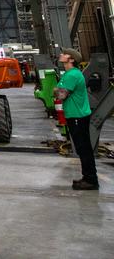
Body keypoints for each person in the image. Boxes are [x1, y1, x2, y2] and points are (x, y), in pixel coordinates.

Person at [54, 47, 97, 190]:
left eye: (65, 54)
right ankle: (88, 177)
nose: (61, 55)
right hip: (76, 115)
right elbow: (60, 91)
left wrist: (56, 90)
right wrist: (58, 90)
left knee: (83, 148)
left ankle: (91, 180)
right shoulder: (70, 74)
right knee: (82, 148)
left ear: (71, 59)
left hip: (78, 116)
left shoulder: (72, 75)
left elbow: (61, 94)